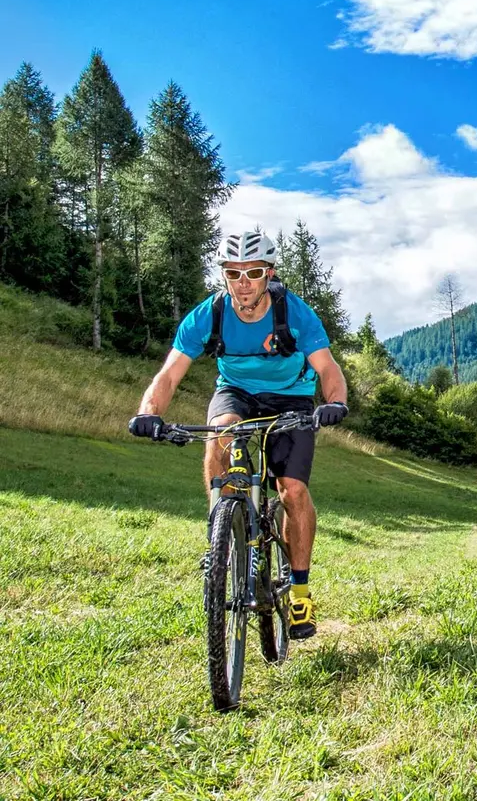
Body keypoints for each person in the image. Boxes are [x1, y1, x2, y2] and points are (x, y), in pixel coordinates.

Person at [128, 229, 349, 640]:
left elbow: (328, 369)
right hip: (236, 393)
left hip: (292, 399)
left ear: (269, 273)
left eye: (253, 272)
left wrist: (334, 402)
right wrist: (148, 412)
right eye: (233, 272)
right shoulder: (208, 314)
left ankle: (300, 591)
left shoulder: (294, 313)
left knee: (292, 490)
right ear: (224, 275)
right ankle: (221, 535)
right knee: (219, 434)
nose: (242, 281)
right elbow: (170, 373)